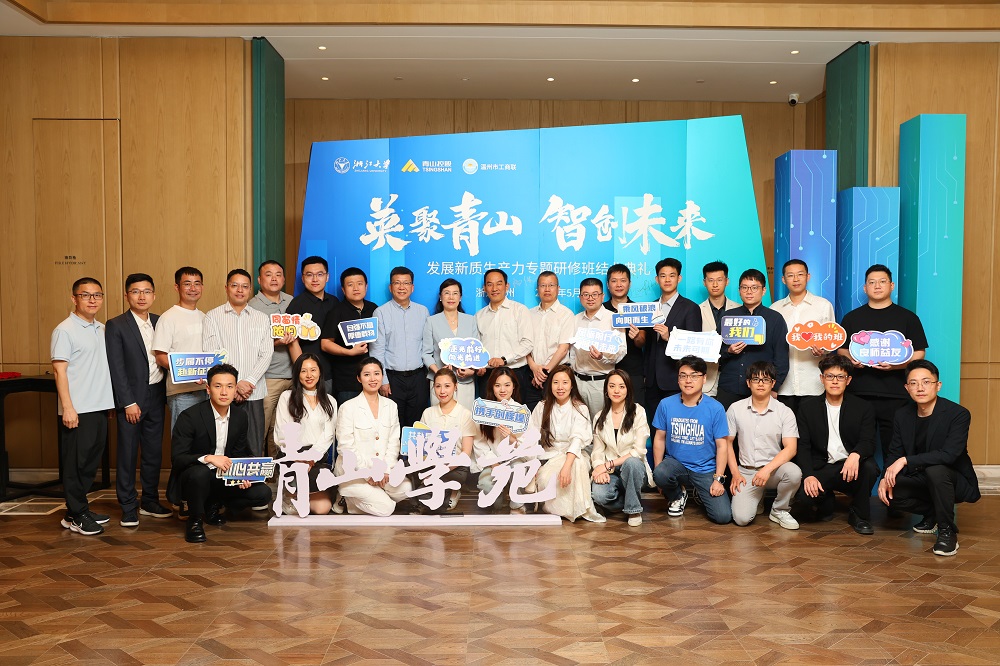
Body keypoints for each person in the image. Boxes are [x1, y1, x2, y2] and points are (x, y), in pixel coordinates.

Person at [879, 360, 981, 557]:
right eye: (914, 383)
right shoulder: (902, 415)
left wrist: (906, 460)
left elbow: (949, 454)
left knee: (936, 469)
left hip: (953, 480)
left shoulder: (958, 414)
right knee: (890, 492)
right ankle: (933, 512)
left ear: (938, 385)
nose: (920, 388)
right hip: (921, 478)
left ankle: (947, 531)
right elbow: (894, 452)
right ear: (907, 388)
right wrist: (885, 477)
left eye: (926, 382)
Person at [166, 364, 273, 543]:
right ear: (208, 389)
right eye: (218, 386)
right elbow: (178, 458)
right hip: (195, 476)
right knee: (200, 473)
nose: (224, 392)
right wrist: (208, 458)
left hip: (224, 476)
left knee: (263, 493)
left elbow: (239, 452)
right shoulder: (190, 416)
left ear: (235, 389)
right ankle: (194, 520)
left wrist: (243, 475)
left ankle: (213, 505)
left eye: (229, 386)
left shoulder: (240, 416)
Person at [839, 264, 928, 460]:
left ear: (891, 285)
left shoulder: (908, 318)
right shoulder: (852, 318)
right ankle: (860, 481)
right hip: (859, 393)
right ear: (865, 288)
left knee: (895, 447)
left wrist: (897, 365)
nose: (877, 286)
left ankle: (896, 480)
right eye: (872, 282)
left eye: (882, 281)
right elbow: (842, 349)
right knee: (858, 447)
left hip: (895, 394)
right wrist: (852, 361)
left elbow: (919, 352)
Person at [105, 273, 170, 528]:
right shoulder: (116, 325)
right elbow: (116, 367)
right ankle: (128, 506)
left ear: (154, 295)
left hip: (157, 394)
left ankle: (150, 501)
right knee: (128, 453)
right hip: (132, 399)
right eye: (135, 291)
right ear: (126, 295)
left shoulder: (160, 321)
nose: (141, 296)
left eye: (146, 291)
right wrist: (127, 402)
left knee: (153, 453)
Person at [52, 277, 115, 536]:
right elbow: (59, 371)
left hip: (99, 407)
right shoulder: (65, 330)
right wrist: (68, 407)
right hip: (78, 409)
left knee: (89, 464)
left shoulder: (101, 328)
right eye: (85, 295)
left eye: (97, 295)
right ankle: (78, 515)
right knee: (75, 465)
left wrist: (108, 403)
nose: (92, 300)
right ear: (74, 298)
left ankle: (75, 511)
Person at [795, 354, 879, 534]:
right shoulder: (807, 408)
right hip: (822, 467)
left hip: (850, 468)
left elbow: (868, 441)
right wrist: (808, 475)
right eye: (830, 376)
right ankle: (827, 500)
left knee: (870, 467)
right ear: (822, 378)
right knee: (804, 499)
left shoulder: (863, 407)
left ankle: (859, 515)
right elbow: (803, 446)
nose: (834, 381)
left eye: (840, 377)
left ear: (848, 380)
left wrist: (855, 455)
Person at [651, 355, 732, 525]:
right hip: (676, 465)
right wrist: (659, 475)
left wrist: (718, 479)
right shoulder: (666, 404)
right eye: (683, 376)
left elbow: (722, 445)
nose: (688, 380)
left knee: (723, 517)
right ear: (678, 379)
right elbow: (659, 438)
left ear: (704, 379)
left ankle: (700, 492)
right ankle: (678, 495)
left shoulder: (715, 408)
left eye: (694, 376)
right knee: (660, 473)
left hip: (705, 469)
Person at [203, 269, 273, 458]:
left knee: (254, 446)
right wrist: (233, 386)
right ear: (226, 288)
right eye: (235, 285)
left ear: (250, 289)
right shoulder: (212, 316)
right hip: (224, 393)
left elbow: (266, 354)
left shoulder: (261, 318)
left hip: (253, 392)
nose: (240, 290)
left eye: (244, 286)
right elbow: (212, 354)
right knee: (223, 445)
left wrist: (248, 382)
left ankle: (254, 478)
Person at [726, 361, 801, 529]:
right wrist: (735, 474)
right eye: (756, 379)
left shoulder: (785, 411)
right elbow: (727, 443)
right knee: (741, 519)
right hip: (747, 472)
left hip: (773, 470)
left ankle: (779, 509)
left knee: (794, 472)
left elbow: (791, 448)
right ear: (748, 383)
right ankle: (757, 497)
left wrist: (767, 470)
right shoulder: (735, 409)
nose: (760, 384)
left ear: (773, 383)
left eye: (766, 379)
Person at [334, 357, 413, 516]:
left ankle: (369, 496)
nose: (372, 379)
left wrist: (385, 470)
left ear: (382, 376)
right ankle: (347, 496)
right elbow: (346, 447)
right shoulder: (348, 407)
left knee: (407, 488)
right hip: (355, 472)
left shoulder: (391, 406)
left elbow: (393, 442)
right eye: (367, 374)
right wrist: (368, 473)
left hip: (382, 471)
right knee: (386, 509)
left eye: (377, 374)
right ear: (359, 378)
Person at [529, 365, 605, 523]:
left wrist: (566, 466)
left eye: (565, 382)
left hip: (572, 455)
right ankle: (557, 509)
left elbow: (577, 440)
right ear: (550, 385)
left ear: (572, 385)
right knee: (547, 480)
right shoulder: (542, 407)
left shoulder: (580, 408)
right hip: (548, 456)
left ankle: (577, 509)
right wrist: (533, 463)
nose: (560, 387)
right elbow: (531, 438)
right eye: (555, 382)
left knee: (577, 464)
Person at [273, 353, 338, 515]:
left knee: (322, 508)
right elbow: (282, 433)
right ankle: (288, 494)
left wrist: (310, 458)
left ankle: (302, 494)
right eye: (304, 371)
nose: (309, 375)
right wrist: (299, 458)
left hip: (315, 459)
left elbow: (328, 435)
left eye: (313, 370)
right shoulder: (286, 397)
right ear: (297, 374)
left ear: (320, 372)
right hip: (291, 458)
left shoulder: (330, 401)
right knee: (294, 509)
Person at [717, 269, 789, 411]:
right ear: (739, 291)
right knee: (727, 424)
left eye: (754, 287)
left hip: (761, 388)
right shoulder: (728, 317)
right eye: (744, 287)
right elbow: (716, 352)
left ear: (763, 290)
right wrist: (729, 351)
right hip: (729, 386)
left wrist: (774, 387)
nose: (749, 292)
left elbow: (781, 357)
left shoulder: (775, 319)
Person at [248, 259, 298, 455]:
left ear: (284, 279)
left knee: (283, 429)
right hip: (267, 377)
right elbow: (249, 345)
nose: (274, 279)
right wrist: (275, 342)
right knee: (262, 425)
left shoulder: (292, 301)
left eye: (278, 274)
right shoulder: (252, 306)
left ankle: (276, 467)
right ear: (259, 280)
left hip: (293, 375)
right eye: (268, 275)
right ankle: (258, 464)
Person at [772, 259, 836, 413]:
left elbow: (831, 340)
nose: (796, 279)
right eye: (790, 275)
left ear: (808, 277)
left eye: (800, 274)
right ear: (783, 279)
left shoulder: (823, 305)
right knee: (785, 427)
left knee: (813, 426)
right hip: (784, 386)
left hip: (814, 384)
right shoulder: (775, 309)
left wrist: (823, 350)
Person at [369, 266, 429, 428]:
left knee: (417, 425)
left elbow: (427, 346)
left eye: (406, 283)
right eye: (397, 283)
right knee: (393, 425)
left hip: (418, 378)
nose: (402, 287)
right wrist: (383, 380)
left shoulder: (423, 311)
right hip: (392, 379)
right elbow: (377, 351)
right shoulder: (380, 312)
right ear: (390, 287)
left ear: (412, 287)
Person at [590, 370, 652, 526]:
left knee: (632, 463)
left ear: (628, 390)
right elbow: (597, 451)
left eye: (621, 386)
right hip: (611, 472)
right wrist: (599, 468)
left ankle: (633, 510)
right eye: (612, 386)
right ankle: (628, 499)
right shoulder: (599, 417)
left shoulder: (638, 412)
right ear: (606, 390)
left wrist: (607, 464)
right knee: (599, 495)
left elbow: (638, 452)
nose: (616, 390)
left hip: (634, 469)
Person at [152, 267, 208, 432]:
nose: (193, 288)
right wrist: (190, 373)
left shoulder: (205, 317)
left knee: (203, 440)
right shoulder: (168, 318)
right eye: (187, 284)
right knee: (183, 439)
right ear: (177, 287)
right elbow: (161, 357)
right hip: (181, 393)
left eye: (197, 283)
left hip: (206, 390)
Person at [644, 258, 701, 419]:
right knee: (654, 425)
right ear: (657, 279)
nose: (667, 279)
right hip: (651, 381)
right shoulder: (650, 307)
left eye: (672, 275)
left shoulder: (690, 308)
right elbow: (648, 346)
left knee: (675, 425)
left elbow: (693, 347)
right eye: (663, 276)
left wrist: (669, 338)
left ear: (679, 278)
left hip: (676, 378)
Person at [416, 368, 477, 512]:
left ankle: (454, 491)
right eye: (438, 386)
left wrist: (443, 468)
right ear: (433, 388)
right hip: (431, 464)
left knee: (430, 501)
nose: (442, 391)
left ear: (455, 387)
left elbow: (466, 453)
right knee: (425, 501)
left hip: (456, 467)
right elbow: (421, 447)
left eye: (447, 386)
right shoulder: (428, 413)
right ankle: (434, 491)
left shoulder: (465, 414)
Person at [571, 278, 626, 421]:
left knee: (600, 423)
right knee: (579, 423)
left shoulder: (614, 319)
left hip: (601, 382)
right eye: (586, 294)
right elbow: (571, 352)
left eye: (595, 294)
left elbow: (622, 351)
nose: (590, 298)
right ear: (580, 297)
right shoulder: (575, 320)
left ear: (602, 296)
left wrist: (603, 357)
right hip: (577, 382)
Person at [321, 267, 377, 406]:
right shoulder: (336, 312)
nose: (356, 288)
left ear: (366, 286)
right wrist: (349, 352)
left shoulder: (374, 309)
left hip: (372, 379)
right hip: (347, 381)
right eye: (350, 285)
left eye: (360, 284)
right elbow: (325, 344)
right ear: (343, 289)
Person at [474, 367, 527, 513]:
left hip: (515, 460)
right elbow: (479, 443)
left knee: (517, 471)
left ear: (514, 386)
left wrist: (512, 439)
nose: (502, 390)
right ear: (492, 387)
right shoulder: (485, 410)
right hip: (493, 461)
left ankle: (517, 504)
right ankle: (500, 498)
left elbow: (528, 445)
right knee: (487, 488)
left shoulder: (521, 411)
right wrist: (494, 463)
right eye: (497, 385)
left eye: (507, 385)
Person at [475, 268, 533, 399]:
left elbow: (528, 343)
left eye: (499, 283)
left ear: (507, 286)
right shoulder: (479, 316)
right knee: (488, 412)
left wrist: (504, 359)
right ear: (485, 288)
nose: (494, 288)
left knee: (516, 411)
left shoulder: (519, 310)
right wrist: (479, 366)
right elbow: (477, 347)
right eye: (490, 284)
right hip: (487, 375)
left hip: (515, 373)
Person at [422, 278, 479, 411]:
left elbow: (476, 351)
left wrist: (471, 370)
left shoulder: (470, 320)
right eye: (447, 293)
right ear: (440, 297)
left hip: (465, 382)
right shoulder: (431, 321)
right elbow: (426, 353)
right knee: (440, 418)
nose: (451, 297)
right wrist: (439, 372)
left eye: (455, 293)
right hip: (440, 383)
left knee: (465, 419)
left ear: (460, 297)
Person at [287, 256, 340, 392]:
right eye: (309, 275)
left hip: (335, 372)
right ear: (303, 278)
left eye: (320, 274)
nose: (315, 279)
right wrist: (303, 372)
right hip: (311, 376)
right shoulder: (296, 304)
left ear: (327, 277)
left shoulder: (334, 302)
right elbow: (293, 342)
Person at [525, 271, 575, 411]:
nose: (547, 289)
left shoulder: (566, 314)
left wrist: (543, 373)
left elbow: (563, 349)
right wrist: (534, 368)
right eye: (543, 285)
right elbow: (524, 345)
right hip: (531, 375)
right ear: (537, 289)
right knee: (531, 417)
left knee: (555, 417)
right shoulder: (528, 314)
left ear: (558, 288)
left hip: (557, 375)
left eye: (551, 285)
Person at [603, 263, 647, 407]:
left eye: (623, 280)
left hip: (632, 372)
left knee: (634, 413)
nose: (619, 285)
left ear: (629, 283)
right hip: (604, 371)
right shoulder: (600, 309)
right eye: (614, 281)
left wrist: (637, 337)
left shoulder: (638, 310)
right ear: (608, 285)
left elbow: (642, 342)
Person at [699, 261, 739, 398]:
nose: (715, 284)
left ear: (727, 281)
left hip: (733, 377)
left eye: (719, 280)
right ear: (704, 282)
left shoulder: (739, 310)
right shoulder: (696, 310)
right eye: (711, 280)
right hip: (706, 378)